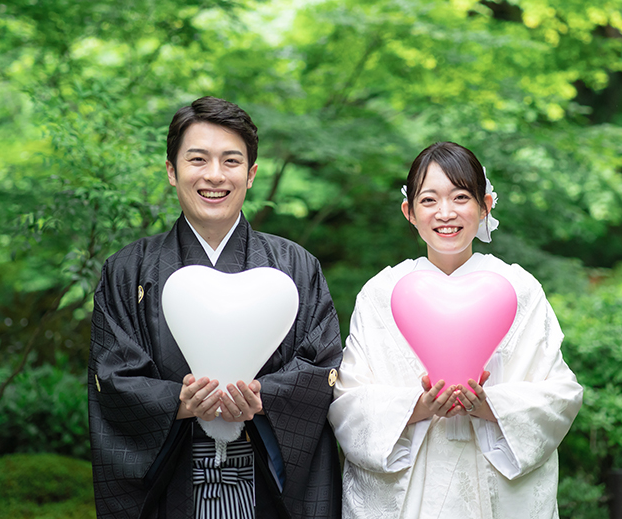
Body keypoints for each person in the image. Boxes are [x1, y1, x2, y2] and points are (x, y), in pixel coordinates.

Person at [89, 97, 343, 519]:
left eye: (230, 161)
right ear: (172, 171)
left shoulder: (296, 266)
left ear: (252, 173)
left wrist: (263, 401)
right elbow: (112, 377)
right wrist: (180, 402)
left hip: (265, 485)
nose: (214, 176)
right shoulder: (126, 270)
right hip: (172, 486)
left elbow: (323, 366)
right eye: (198, 159)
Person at [329, 142, 583, 519]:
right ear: (409, 212)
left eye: (461, 197)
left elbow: (560, 394)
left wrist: (489, 405)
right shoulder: (380, 294)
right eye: (429, 200)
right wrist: (417, 407)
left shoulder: (519, 289)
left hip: (495, 490)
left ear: (486, 206)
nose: (445, 213)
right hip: (412, 494)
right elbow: (348, 402)